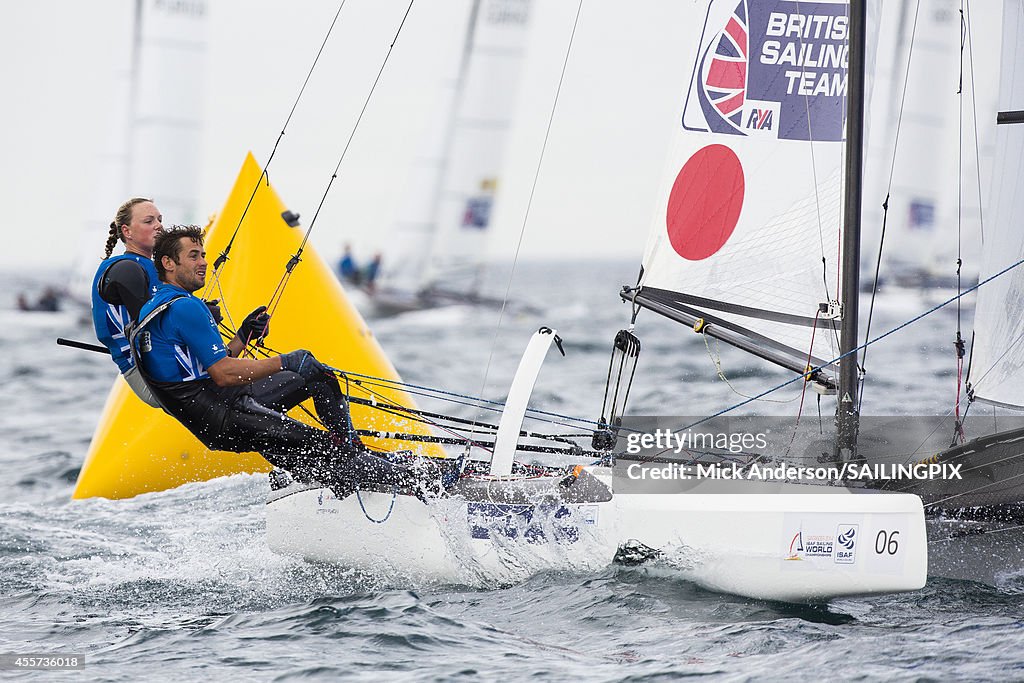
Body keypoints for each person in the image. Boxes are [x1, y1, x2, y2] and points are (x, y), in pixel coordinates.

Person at [134, 226, 432, 494]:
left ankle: (345, 458)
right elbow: (223, 374)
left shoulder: (158, 306)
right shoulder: (185, 307)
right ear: (169, 263)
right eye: (194, 256)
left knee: (317, 375)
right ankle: (417, 483)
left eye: (203, 255)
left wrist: (243, 336)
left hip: (224, 406)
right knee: (322, 434)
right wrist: (286, 361)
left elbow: (202, 368)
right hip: (227, 416)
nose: (203, 263)